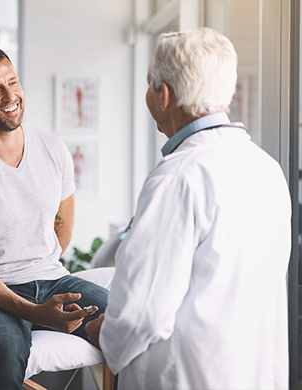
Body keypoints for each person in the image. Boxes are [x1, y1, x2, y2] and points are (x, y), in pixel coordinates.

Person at [86, 27, 291, 390]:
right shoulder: (266, 169)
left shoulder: (177, 177)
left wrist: (104, 332)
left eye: (150, 85)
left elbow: (141, 313)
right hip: (250, 373)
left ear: (162, 94)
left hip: (185, 377)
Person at [0, 46, 108, 390]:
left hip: (53, 279)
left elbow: (63, 224)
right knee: (7, 350)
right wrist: (34, 311)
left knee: (128, 322)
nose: (11, 96)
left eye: (13, 82)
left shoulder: (53, 149)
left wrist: (43, 266)